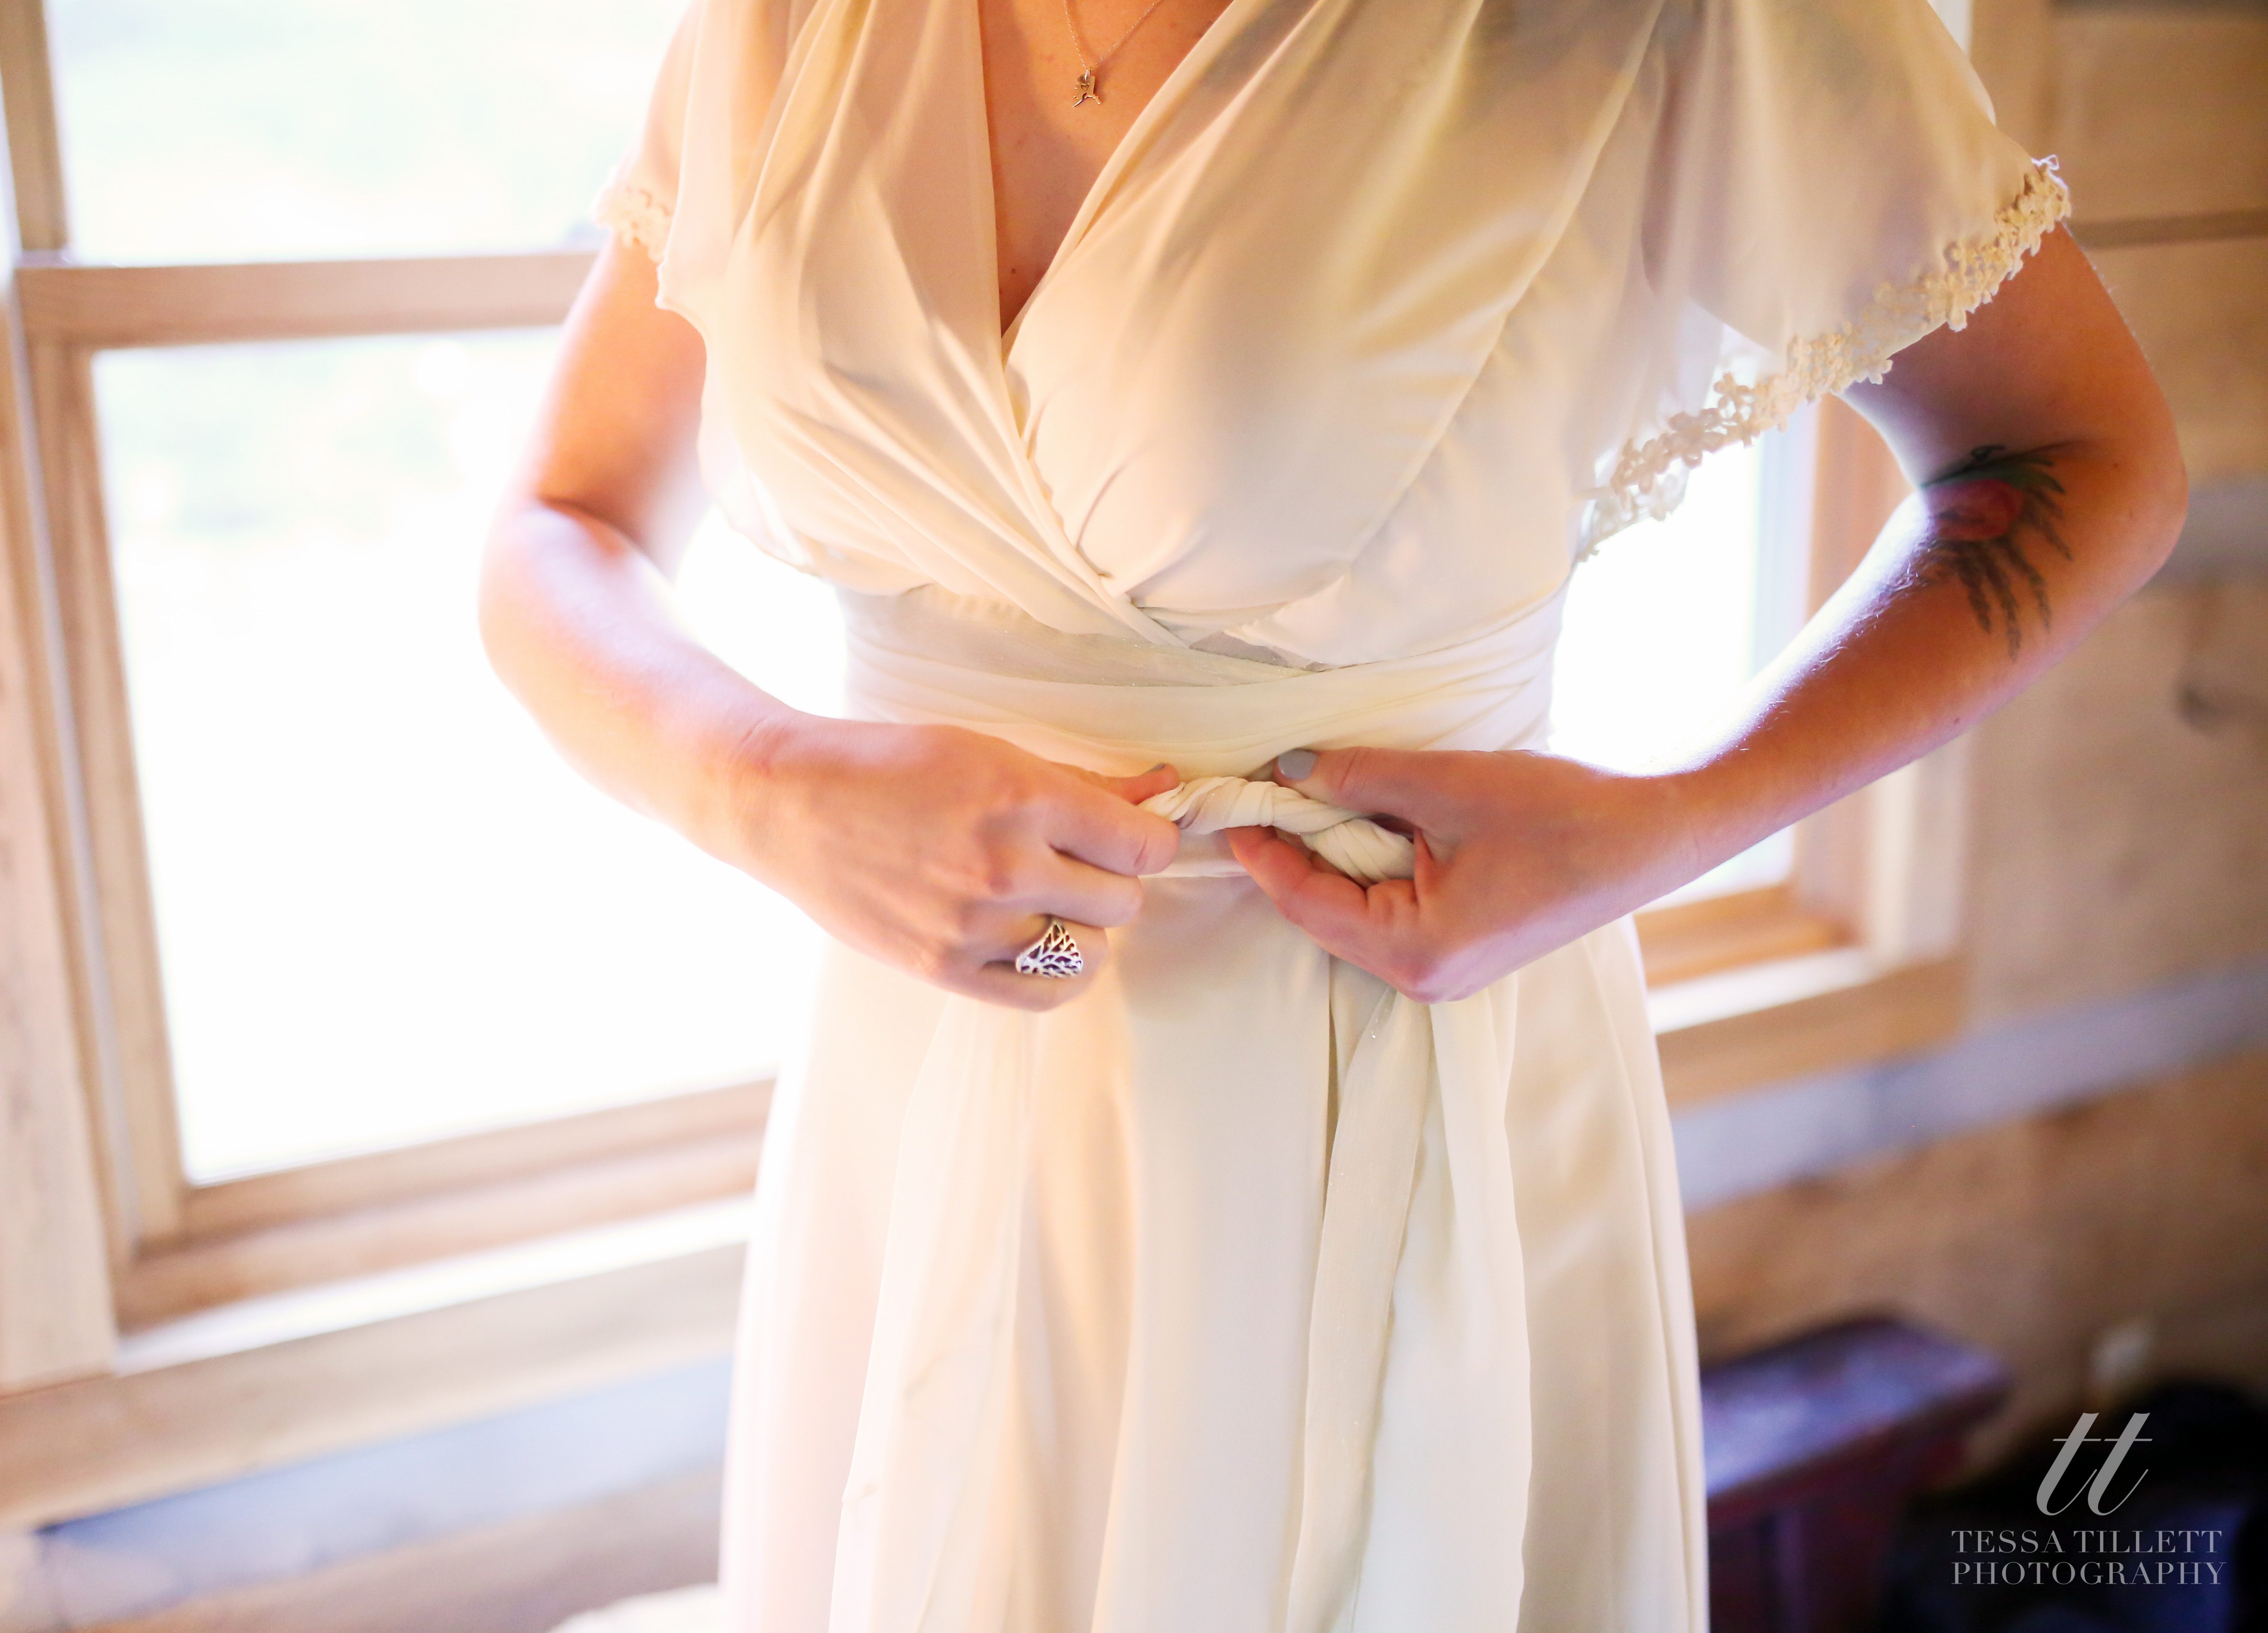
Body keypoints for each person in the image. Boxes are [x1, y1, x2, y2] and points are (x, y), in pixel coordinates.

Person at [479, 0, 2187, 1623]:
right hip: (916, 1079)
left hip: (1373, 1052)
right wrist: (767, 787)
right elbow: (562, 521)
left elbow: (2083, 453)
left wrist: (1671, 819)